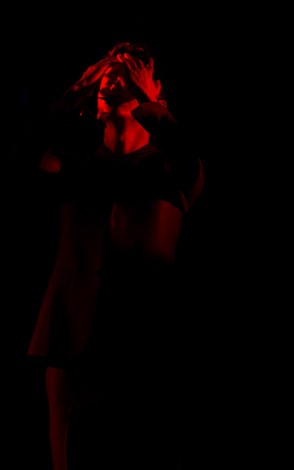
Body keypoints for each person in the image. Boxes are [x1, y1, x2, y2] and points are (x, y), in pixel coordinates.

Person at [24, 41, 205, 470]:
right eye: (107, 76)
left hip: (146, 343)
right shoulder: (74, 166)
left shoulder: (169, 169)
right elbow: (27, 160)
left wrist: (150, 100)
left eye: (128, 76)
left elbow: (188, 165)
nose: (113, 80)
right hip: (72, 341)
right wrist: (74, 93)